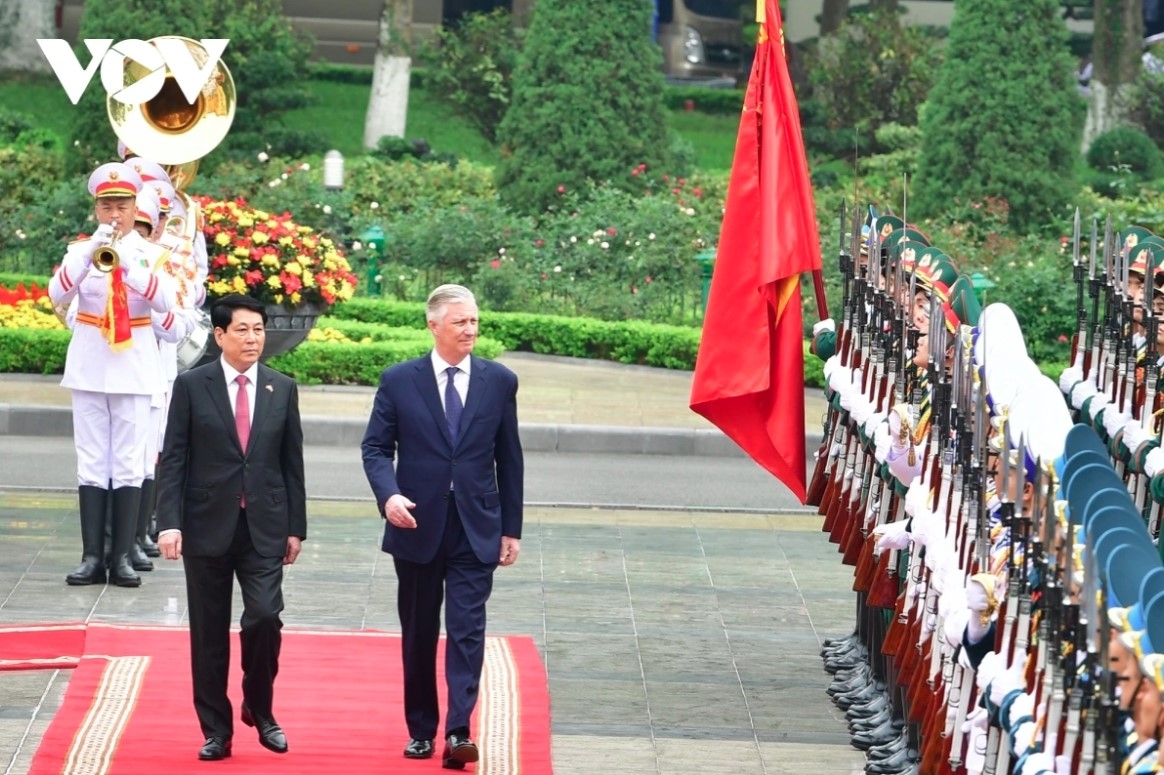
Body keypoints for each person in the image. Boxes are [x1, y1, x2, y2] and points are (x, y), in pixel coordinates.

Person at [362, 284, 524, 769]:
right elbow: (375, 448)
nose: (470, 329)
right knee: (418, 630)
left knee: (468, 630)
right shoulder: (399, 381)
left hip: (477, 527)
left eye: (474, 321)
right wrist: (388, 495)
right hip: (416, 524)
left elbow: (508, 459)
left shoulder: (500, 381)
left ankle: (458, 731)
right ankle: (420, 730)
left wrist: (510, 528)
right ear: (434, 326)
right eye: (460, 322)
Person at [155, 293, 307, 761]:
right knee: (208, 631)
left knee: (264, 616)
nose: (252, 338)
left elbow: (291, 463)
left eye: (258, 329)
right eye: (242, 329)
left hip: (264, 525)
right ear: (219, 335)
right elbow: (174, 458)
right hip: (205, 525)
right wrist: (169, 523)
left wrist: (296, 528)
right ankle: (216, 730)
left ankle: (259, 708)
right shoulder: (192, 385)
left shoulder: (281, 388)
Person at [48, 161, 177, 588]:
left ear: (133, 206)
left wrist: (128, 264)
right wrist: (90, 255)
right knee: (90, 462)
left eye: (122, 205)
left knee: (125, 463)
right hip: (89, 365)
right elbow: (57, 292)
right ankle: (91, 556)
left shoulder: (150, 254)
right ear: (96, 209)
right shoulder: (80, 250)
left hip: (134, 366)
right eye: (107, 206)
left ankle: (121, 556)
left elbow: (165, 304)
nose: (114, 215)